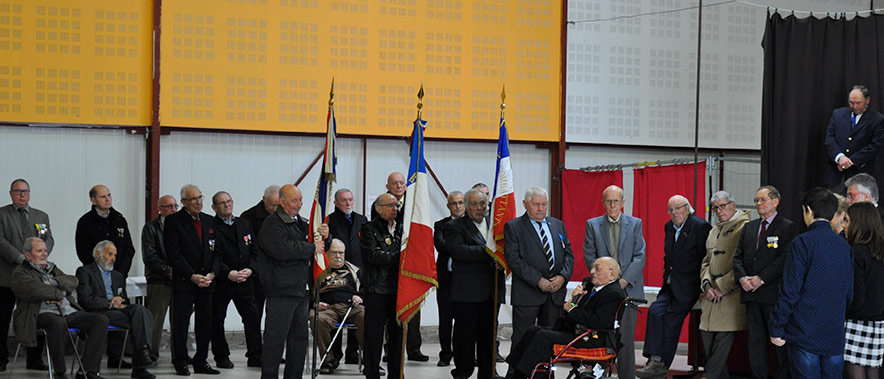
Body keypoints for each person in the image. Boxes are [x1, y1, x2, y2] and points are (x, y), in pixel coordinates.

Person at [770, 187, 853, 377]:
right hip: (833, 332)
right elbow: (849, 293)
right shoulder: (845, 246)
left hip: (803, 331)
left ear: (808, 211)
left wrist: (776, 326)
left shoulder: (802, 243)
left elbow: (790, 290)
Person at [504, 257, 626, 379]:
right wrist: (575, 300)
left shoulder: (613, 293)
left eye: (597, 268)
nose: (592, 271)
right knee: (533, 330)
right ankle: (515, 374)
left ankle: (533, 376)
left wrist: (572, 309)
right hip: (580, 332)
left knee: (543, 337)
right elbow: (575, 311)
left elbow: (597, 322)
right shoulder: (594, 289)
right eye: (593, 267)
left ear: (612, 274)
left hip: (594, 338)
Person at [636, 195, 711, 378]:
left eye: (678, 208)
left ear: (687, 208)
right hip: (669, 284)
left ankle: (661, 366)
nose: (675, 213)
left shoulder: (700, 226)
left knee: (671, 321)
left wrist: (703, 287)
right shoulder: (669, 227)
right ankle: (653, 359)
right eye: (671, 210)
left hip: (688, 287)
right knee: (654, 311)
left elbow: (705, 259)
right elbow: (668, 256)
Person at [12, 237, 108, 379]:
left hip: (67, 312)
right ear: (27, 255)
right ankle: (60, 372)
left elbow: (74, 281)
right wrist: (60, 292)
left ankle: (87, 371)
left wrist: (53, 281)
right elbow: (35, 290)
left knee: (100, 320)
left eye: (45, 250)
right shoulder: (21, 272)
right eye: (39, 251)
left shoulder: (52, 269)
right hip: (39, 314)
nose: (45, 254)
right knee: (57, 323)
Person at [503, 187, 574, 375]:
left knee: (549, 340)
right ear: (525, 204)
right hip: (528, 294)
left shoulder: (558, 225)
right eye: (536, 204)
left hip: (554, 295)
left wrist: (563, 277)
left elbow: (568, 255)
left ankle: (543, 375)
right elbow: (514, 260)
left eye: (544, 204)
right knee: (522, 339)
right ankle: (515, 376)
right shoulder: (514, 227)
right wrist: (539, 280)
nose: (541, 209)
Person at [257, 184, 325, 379]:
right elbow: (282, 250)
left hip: (300, 290)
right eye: (294, 201)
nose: (299, 204)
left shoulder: (300, 223)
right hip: (281, 290)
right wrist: (311, 247)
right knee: (275, 339)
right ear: (282, 201)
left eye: (301, 200)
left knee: (299, 339)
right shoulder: (272, 223)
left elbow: (315, 242)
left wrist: (324, 237)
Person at [732, 186, 799, 379]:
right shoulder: (749, 227)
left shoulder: (787, 227)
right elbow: (738, 256)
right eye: (756, 200)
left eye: (763, 200)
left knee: (778, 341)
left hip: (773, 295)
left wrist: (761, 279)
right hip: (751, 294)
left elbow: (783, 258)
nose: (758, 204)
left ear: (775, 201)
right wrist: (743, 277)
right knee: (755, 342)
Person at [582, 185, 645, 379]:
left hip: (629, 289)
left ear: (623, 203)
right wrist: (606, 283)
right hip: (603, 290)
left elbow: (640, 255)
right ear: (603, 202)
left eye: (616, 201)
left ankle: (627, 376)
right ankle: (597, 375)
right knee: (600, 335)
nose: (612, 205)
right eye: (608, 201)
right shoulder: (592, 225)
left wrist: (623, 281)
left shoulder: (635, 224)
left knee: (625, 338)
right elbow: (589, 255)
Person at [445, 189, 505, 379]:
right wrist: (489, 252)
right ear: (466, 205)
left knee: (488, 337)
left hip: (492, 291)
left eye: (483, 204)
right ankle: (462, 372)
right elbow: (459, 251)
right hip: (466, 294)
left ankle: (488, 373)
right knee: (465, 337)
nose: (479, 208)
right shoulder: (454, 226)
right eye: (474, 204)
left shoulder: (496, 226)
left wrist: (501, 259)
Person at [76, 240, 156, 379]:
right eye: (110, 254)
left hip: (117, 312)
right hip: (96, 312)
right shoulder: (85, 271)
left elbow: (122, 297)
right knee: (139, 319)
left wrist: (120, 299)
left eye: (115, 255)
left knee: (141, 311)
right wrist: (109, 303)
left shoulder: (118, 275)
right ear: (98, 254)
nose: (113, 258)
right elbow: (86, 300)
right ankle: (140, 365)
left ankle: (142, 357)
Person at [164, 184, 220, 376]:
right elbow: (174, 254)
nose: (198, 202)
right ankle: (180, 360)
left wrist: (212, 273)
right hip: (186, 281)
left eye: (200, 198)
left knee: (205, 323)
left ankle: (201, 360)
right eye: (193, 199)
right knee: (181, 323)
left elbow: (218, 252)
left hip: (207, 281)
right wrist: (192, 276)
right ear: (184, 202)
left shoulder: (210, 221)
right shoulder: (173, 221)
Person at [0, 179, 53, 371]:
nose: (22, 195)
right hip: (7, 276)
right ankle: (1, 359)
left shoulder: (40, 217)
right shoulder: (2, 214)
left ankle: (34, 359)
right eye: (17, 191)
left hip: (34, 278)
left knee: (34, 316)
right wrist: (23, 259)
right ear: (11, 193)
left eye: (25, 191)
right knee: (3, 319)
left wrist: (40, 257)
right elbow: (1, 240)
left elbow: (46, 239)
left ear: (29, 193)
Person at [699, 191, 750, 379]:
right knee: (710, 348)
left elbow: (743, 263)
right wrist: (706, 285)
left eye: (722, 206)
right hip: (710, 299)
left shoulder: (745, 227)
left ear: (733, 205)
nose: (719, 211)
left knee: (720, 348)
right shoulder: (714, 230)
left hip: (730, 298)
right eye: (715, 208)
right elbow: (706, 261)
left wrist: (722, 286)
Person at [210, 191, 263, 369]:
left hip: (245, 280)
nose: (227, 205)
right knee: (217, 319)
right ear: (214, 207)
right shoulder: (211, 226)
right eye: (222, 203)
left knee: (252, 318)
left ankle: (256, 355)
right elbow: (213, 255)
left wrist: (250, 269)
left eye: (229, 201)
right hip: (223, 281)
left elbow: (254, 250)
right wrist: (227, 273)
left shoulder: (244, 224)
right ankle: (221, 356)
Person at [360, 193, 404, 379]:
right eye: (391, 205)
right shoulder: (369, 229)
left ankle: (396, 373)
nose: (395, 208)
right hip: (377, 289)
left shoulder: (403, 229)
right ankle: (371, 373)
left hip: (399, 290)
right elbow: (374, 256)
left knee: (397, 336)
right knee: (374, 336)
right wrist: (400, 256)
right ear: (379, 208)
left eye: (397, 205)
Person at [326, 188, 368, 364]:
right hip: (337, 272)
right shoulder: (329, 220)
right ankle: (335, 354)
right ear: (336, 203)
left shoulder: (362, 220)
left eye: (350, 200)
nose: (348, 203)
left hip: (358, 272)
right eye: (344, 200)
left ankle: (353, 352)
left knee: (356, 308)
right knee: (337, 311)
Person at [311, 239, 365, 375]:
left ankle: (370, 361)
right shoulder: (318, 269)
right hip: (327, 308)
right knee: (317, 318)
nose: (338, 256)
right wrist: (315, 304)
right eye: (334, 252)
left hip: (351, 306)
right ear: (326, 253)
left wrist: (359, 296)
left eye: (341, 252)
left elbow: (366, 289)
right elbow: (305, 292)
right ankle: (327, 361)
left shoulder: (354, 270)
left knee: (368, 317)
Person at [844, 202, 884, 379]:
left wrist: (844, 312)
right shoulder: (880, 250)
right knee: (873, 369)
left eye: (847, 220)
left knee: (855, 369)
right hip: (879, 320)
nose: (845, 224)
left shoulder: (856, 252)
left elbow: (857, 295)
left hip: (857, 320)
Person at [824, 85, 884, 190]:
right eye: (851, 103)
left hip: (861, 175)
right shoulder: (837, 114)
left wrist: (849, 161)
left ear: (867, 100)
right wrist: (840, 157)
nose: (855, 106)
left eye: (858, 103)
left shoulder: (877, 119)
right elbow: (830, 139)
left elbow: (875, 146)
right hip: (836, 175)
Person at [141, 194, 178, 361]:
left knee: (179, 320)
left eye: (175, 206)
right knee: (155, 320)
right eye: (169, 206)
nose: (173, 209)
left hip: (179, 280)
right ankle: (151, 354)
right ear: (159, 209)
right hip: (159, 280)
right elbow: (149, 255)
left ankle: (179, 354)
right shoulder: (151, 228)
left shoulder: (181, 227)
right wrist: (168, 271)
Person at [75, 185, 136, 277]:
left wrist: (121, 273)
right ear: (93, 200)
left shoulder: (119, 220)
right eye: (103, 197)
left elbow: (129, 248)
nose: (108, 199)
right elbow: (83, 252)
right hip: (95, 276)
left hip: (119, 274)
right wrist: (99, 271)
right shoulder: (85, 222)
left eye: (109, 195)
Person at [241, 184, 281, 326]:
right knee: (253, 314)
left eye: (278, 205)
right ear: (263, 200)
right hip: (256, 274)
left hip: (277, 274)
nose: (275, 209)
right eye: (272, 205)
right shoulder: (248, 217)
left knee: (276, 314)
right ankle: (255, 348)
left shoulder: (285, 216)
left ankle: (272, 347)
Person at [434, 190, 464, 367]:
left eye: (460, 202)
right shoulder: (441, 225)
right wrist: (460, 247)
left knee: (465, 320)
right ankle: (445, 354)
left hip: (466, 281)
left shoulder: (472, 225)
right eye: (454, 203)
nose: (458, 206)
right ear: (448, 206)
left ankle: (464, 354)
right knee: (445, 320)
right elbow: (440, 245)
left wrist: (453, 246)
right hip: (446, 280)